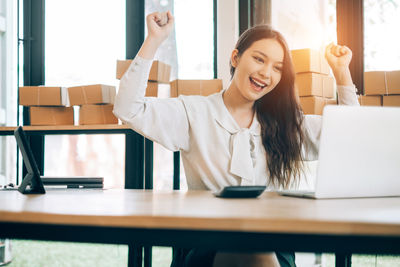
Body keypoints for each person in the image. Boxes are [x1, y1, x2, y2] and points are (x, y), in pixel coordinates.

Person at [113, 11, 359, 267]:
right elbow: (128, 109)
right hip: (207, 243)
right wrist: (154, 39)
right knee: (249, 249)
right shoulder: (194, 113)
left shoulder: (286, 124)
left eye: (277, 68)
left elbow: (350, 135)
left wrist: (342, 73)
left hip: (273, 245)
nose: (266, 73)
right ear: (235, 57)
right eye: (259, 59)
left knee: (256, 248)